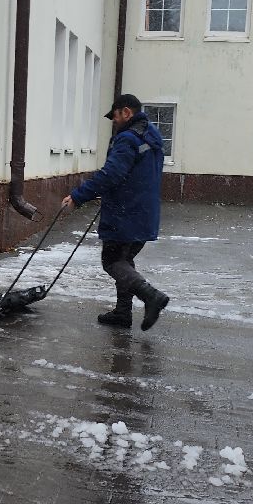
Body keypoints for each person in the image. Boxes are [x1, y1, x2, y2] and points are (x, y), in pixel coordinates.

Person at [61, 92, 170, 331]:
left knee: (112, 261)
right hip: (144, 213)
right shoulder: (152, 137)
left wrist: (78, 197)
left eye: (115, 116)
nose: (114, 121)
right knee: (124, 261)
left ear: (126, 112)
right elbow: (134, 175)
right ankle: (123, 313)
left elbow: (112, 174)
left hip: (125, 214)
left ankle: (151, 296)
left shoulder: (128, 139)